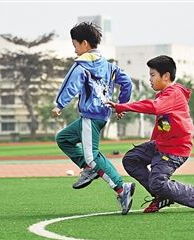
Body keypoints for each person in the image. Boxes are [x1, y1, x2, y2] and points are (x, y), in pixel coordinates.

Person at [105, 55, 194, 213]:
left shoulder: (173, 94)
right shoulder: (163, 95)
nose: (150, 79)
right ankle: (162, 196)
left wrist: (123, 106)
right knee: (131, 160)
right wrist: (151, 145)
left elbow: (154, 107)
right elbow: (162, 125)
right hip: (161, 145)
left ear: (166, 76)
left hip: (175, 150)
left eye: (153, 75)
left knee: (158, 183)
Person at [51, 22, 134, 215]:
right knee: (63, 138)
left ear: (85, 44)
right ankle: (89, 168)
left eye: (75, 45)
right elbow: (127, 83)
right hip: (102, 115)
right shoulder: (109, 66)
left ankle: (122, 189)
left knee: (92, 155)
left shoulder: (81, 65)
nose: (75, 50)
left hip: (90, 116)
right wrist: (121, 104)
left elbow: (70, 84)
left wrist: (59, 105)